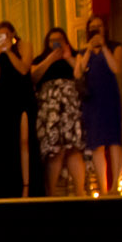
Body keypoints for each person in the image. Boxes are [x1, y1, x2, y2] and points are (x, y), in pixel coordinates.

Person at [31, 25, 90, 196]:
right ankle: (51, 192)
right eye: (52, 41)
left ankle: (80, 192)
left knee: (73, 150)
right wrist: (50, 59)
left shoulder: (73, 56)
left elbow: (81, 75)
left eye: (59, 40)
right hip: (51, 108)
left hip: (70, 107)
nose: (56, 44)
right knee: (55, 151)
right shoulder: (40, 59)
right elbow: (33, 77)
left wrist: (68, 57)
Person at [0, 20, 34, 199]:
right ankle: (5, 188)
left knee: (25, 140)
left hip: (22, 97)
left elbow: (24, 69)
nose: (3, 38)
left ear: (12, 34)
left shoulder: (23, 46)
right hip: (2, 102)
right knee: (4, 145)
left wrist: (9, 51)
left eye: (6, 35)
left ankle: (26, 186)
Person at [79, 14, 122, 193]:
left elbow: (116, 68)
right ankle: (103, 187)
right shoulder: (84, 52)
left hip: (109, 96)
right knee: (96, 143)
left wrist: (104, 46)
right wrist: (90, 50)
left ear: (105, 28)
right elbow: (79, 71)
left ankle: (115, 185)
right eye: (93, 27)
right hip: (92, 99)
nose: (96, 30)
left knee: (113, 140)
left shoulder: (115, 47)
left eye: (99, 26)